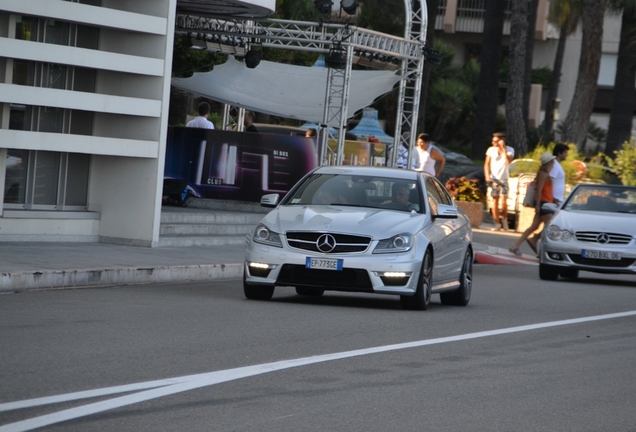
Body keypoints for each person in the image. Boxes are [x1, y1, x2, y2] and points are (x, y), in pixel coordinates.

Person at [509, 152, 556, 256]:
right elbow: (539, 190)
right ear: (548, 163)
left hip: (546, 202)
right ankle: (539, 246)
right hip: (544, 203)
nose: (553, 164)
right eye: (552, 162)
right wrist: (538, 205)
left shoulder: (544, 173)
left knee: (534, 226)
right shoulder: (543, 174)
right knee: (551, 227)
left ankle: (516, 245)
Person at [484, 132, 514, 231]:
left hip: (504, 178)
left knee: (504, 201)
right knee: (494, 201)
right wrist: (487, 176)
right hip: (494, 178)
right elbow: (486, 164)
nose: (493, 143)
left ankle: (504, 219)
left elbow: (508, 161)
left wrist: (503, 149)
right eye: (493, 141)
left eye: (495, 141)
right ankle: (497, 223)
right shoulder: (491, 150)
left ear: (502, 140)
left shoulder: (510, 150)